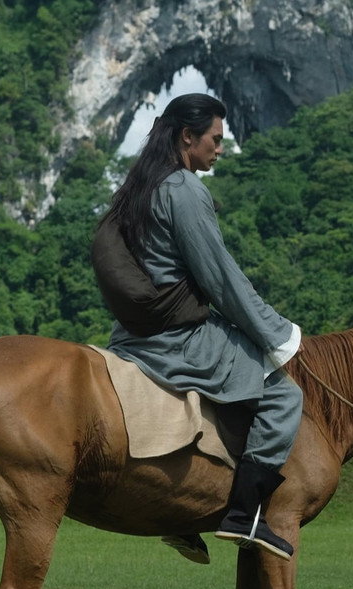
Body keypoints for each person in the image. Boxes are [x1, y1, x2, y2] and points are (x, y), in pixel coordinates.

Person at [95, 93, 302, 561]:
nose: (220, 148)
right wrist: (279, 334)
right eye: (214, 139)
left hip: (131, 338)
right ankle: (244, 515)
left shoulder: (138, 187)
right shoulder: (184, 189)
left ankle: (183, 510)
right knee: (283, 395)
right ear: (188, 137)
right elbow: (220, 278)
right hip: (179, 340)